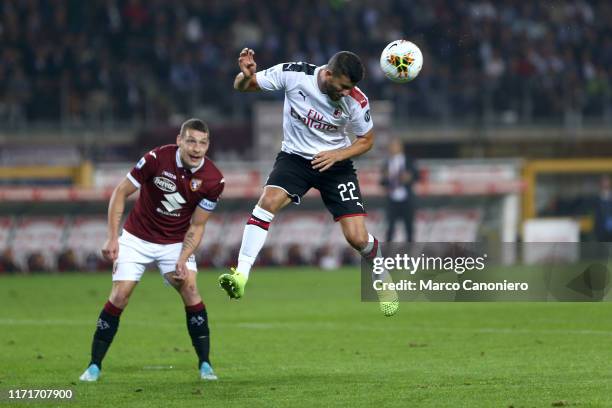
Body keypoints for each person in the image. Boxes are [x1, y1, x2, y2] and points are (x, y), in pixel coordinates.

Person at [218, 48, 398, 317]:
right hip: (295, 159)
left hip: (336, 165)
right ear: (328, 73)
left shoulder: (357, 101)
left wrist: (337, 154)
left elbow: (366, 140)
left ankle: (380, 271)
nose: (346, 92)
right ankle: (241, 275)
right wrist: (245, 76)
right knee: (267, 202)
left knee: (357, 238)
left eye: (351, 88)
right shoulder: (294, 75)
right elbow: (243, 86)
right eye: (343, 86)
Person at [79, 118, 224, 382]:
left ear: (208, 145)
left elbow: (198, 225)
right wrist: (113, 238)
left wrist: (182, 259)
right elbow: (120, 193)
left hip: (175, 242)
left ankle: (205, 364)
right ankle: (93, 366)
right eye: (190, 141)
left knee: (190, 288)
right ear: (179, 140)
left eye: (202, 143)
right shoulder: (156, 159)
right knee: (120, 295)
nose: (196, 148)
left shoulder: (214, 179)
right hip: (137, 238)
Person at [380, 138, 419, 242]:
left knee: (409, 228)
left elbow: (416, 176)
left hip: (407, 199)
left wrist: (409, 177)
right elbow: (382, 182)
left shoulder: (409, 160)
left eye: (395, 146)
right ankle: (388, 253)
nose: (392, 148)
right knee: (390, 228)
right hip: (392, 199)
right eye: (391, 146)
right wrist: (386, 178)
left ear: (400, 147)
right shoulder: (387, 162)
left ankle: (410, 253)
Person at [594, 175, 612, 242]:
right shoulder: (596, 197)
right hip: (601, 229)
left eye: (607, 181)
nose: (605, 183)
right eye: (604, 182)